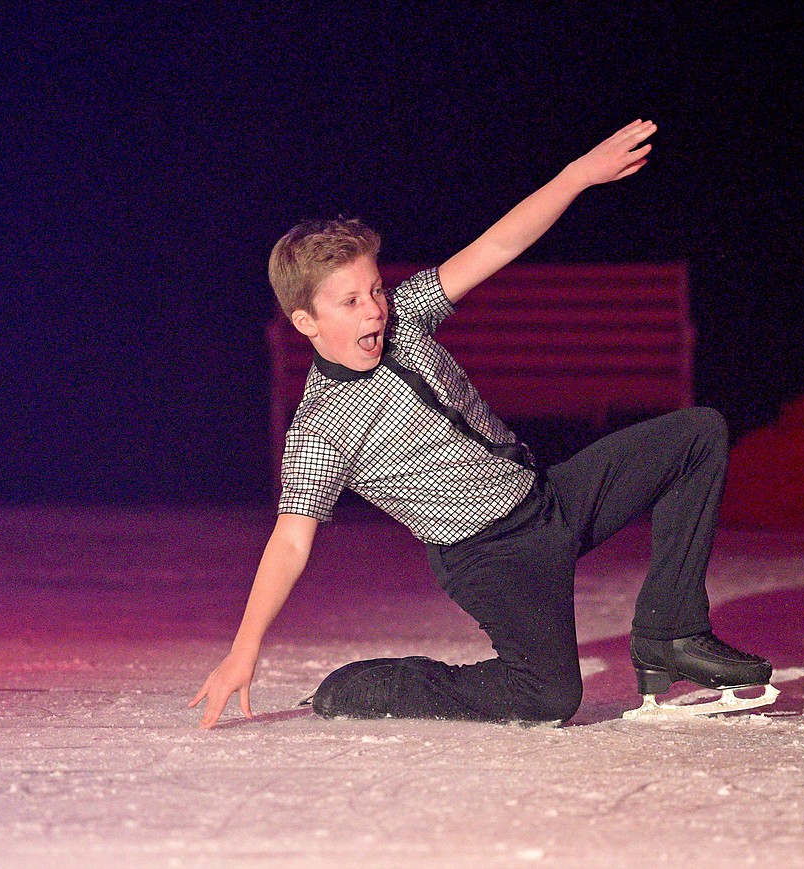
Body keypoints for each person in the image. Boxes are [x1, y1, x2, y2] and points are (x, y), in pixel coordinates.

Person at [190, 120, 771, 728]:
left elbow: (497, 246)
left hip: (548, 499)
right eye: (351, 302)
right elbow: (290, 540)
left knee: (697, 435)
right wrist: (244, 649)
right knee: (547, 699)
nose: (375, 310)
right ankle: (375, 685)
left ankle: (671, 633)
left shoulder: (408, 318)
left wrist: (576, 176)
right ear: (306, 322)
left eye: (375, 291)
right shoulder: (321, 426)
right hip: (491, 557)